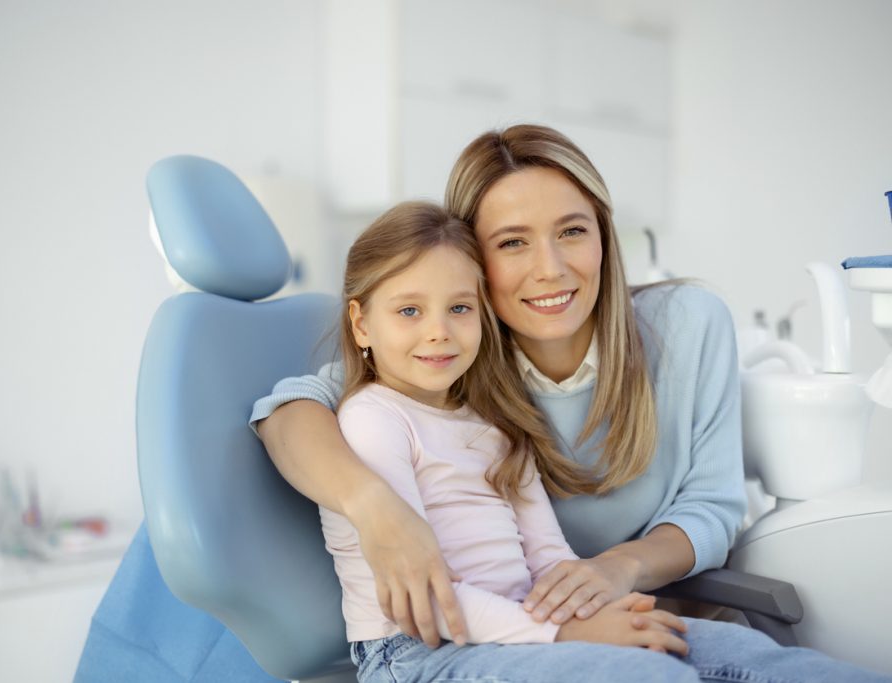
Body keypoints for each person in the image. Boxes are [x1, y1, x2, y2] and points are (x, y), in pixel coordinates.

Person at [252, 124, 890, 681]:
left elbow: (709, 505)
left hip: (584, 611)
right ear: (474, 262)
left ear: (604, 237)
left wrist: (613, 576)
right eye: (511, 242)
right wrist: (377, 510)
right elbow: (290, 412)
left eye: (572, 231)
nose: (550, 268)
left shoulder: (683, 325)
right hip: (480, 638)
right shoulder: (443, 359)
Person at [325, 200, 695, 681]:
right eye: (410, 310)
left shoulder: (494, 425)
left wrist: (600, 611)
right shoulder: (374, 419)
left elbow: (549, 557)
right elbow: (424, 601)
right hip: (419, 649)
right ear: (361, 324)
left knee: (720, 650)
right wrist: (566, 635)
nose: (438, 332)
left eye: (459, 308)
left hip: (521, 627)